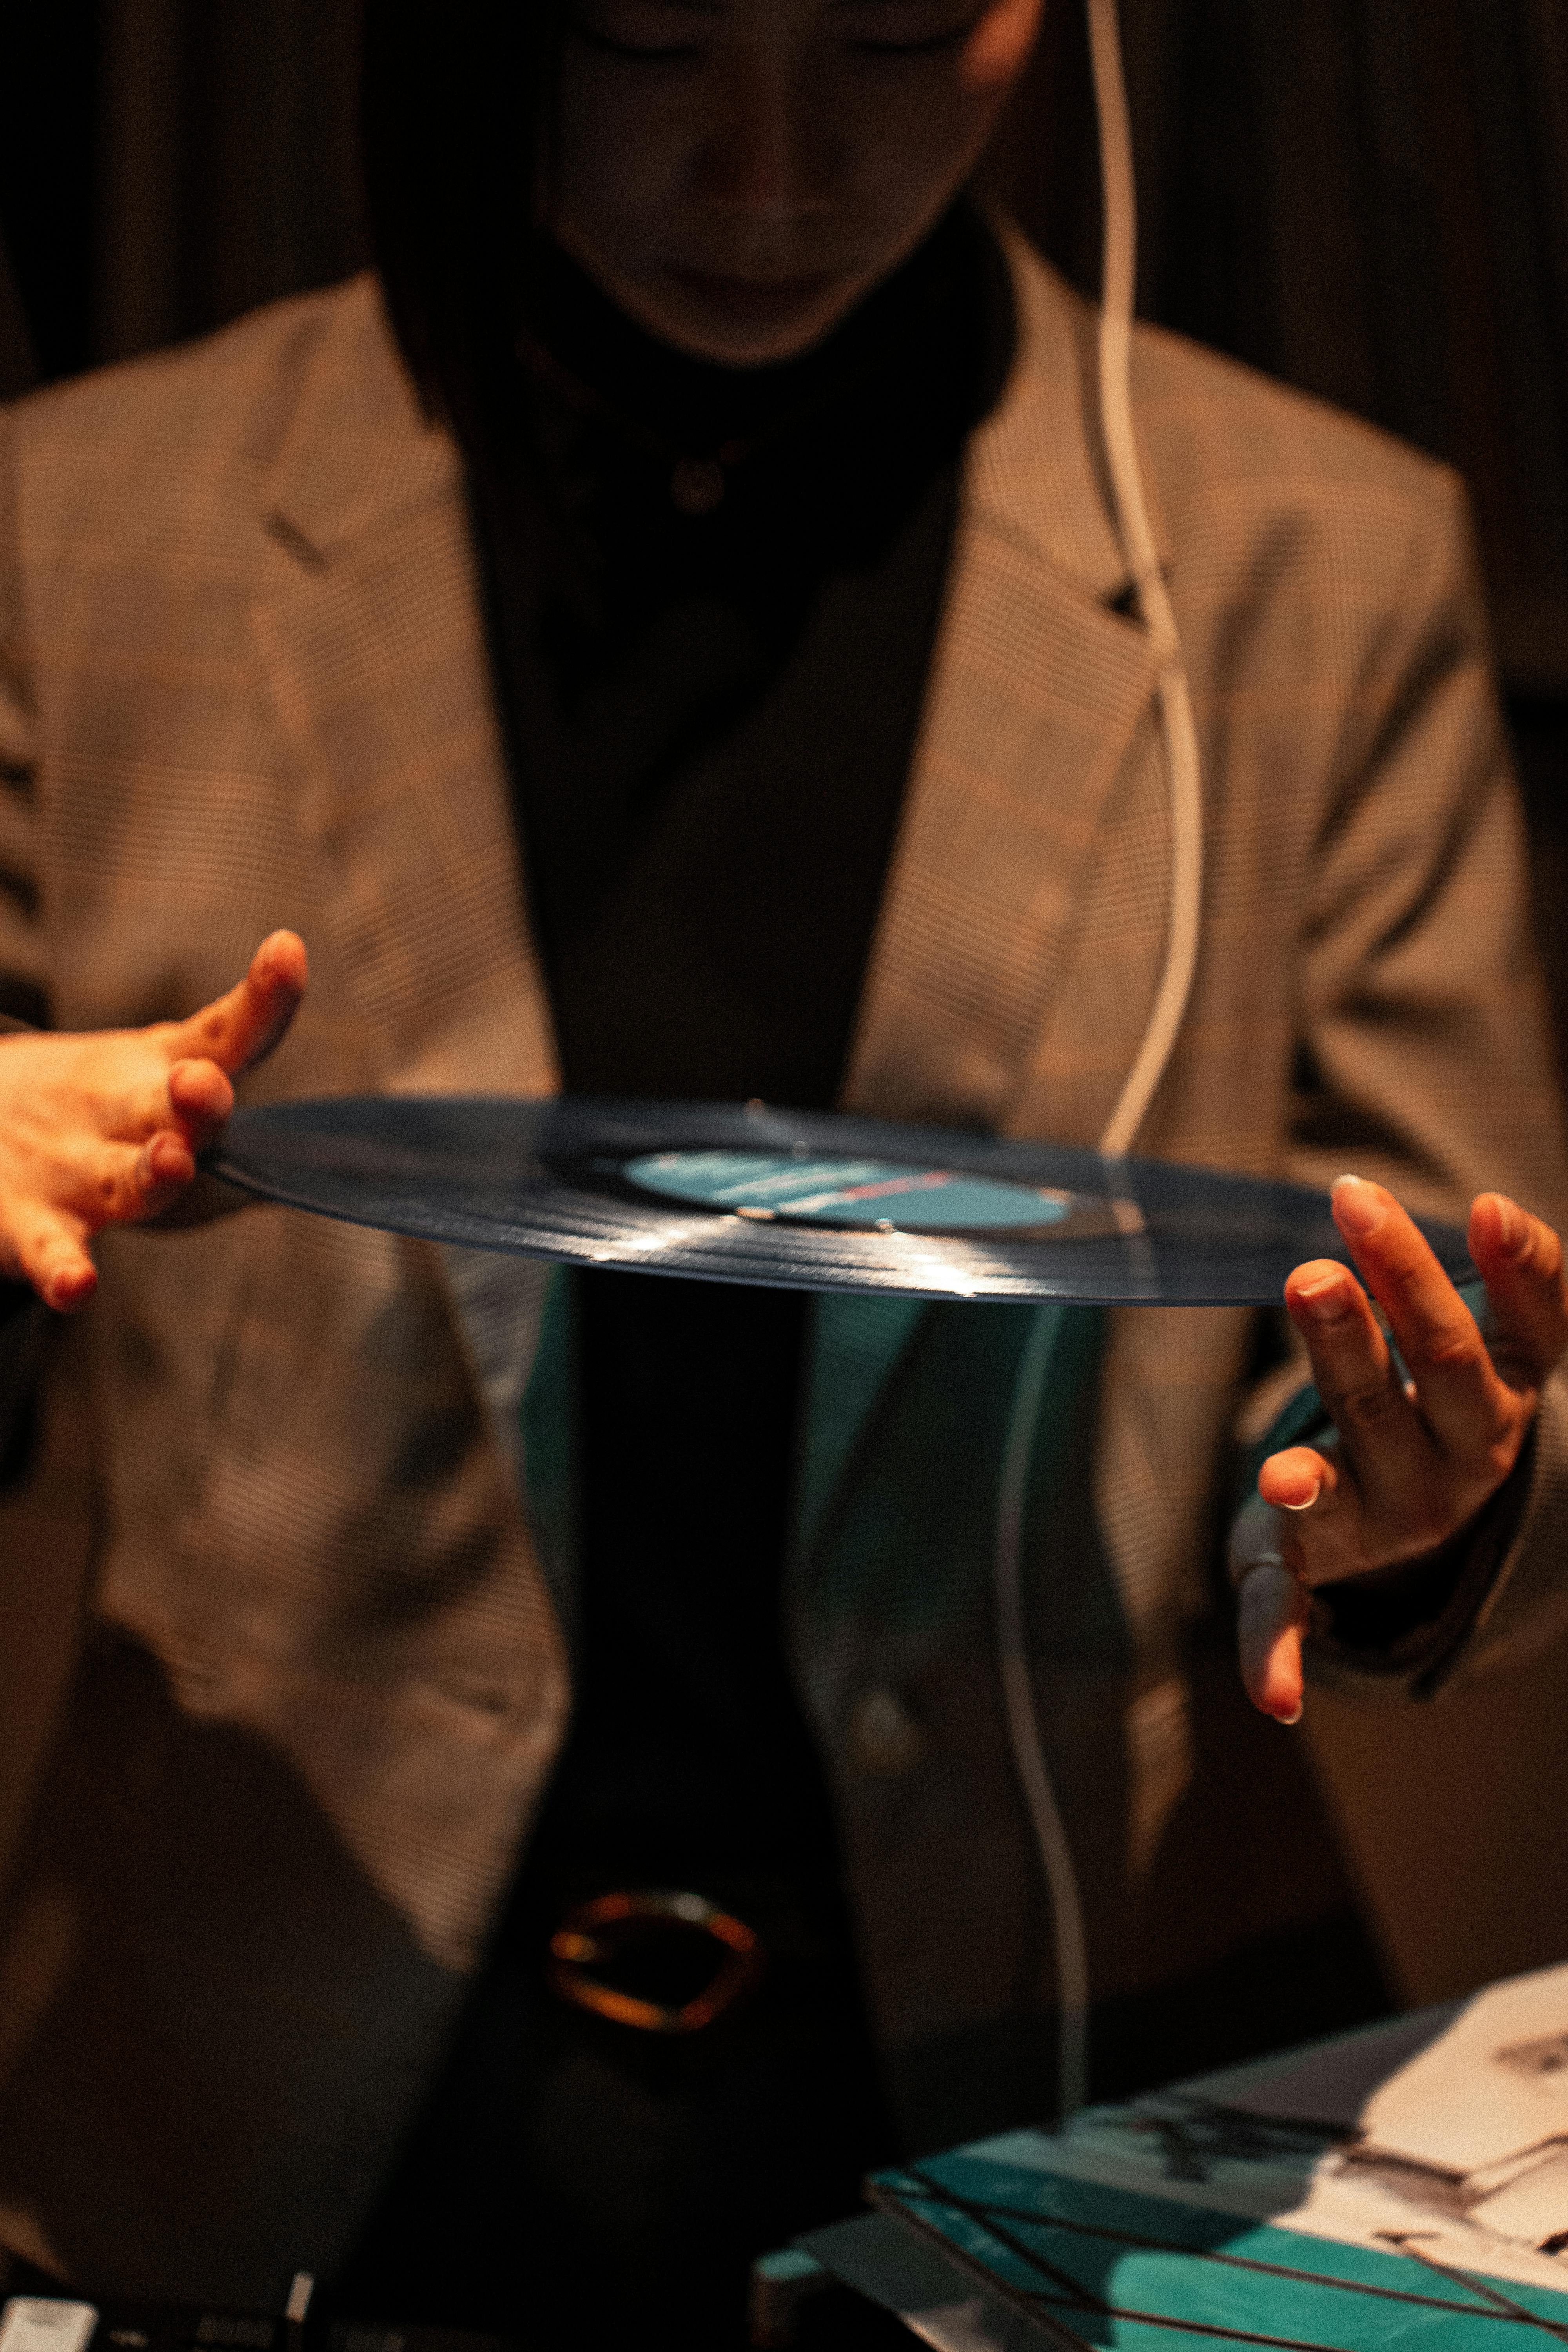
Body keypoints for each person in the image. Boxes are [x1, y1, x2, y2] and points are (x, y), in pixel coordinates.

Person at [1, 0, 1566, 2344]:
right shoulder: (80, 527)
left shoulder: (1312, 562)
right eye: (637, 41)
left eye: (893, 35)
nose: (769, 173)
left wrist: (1412, 1503)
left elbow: (1457, 1328)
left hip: (1089, 2097)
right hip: (246, 2101)